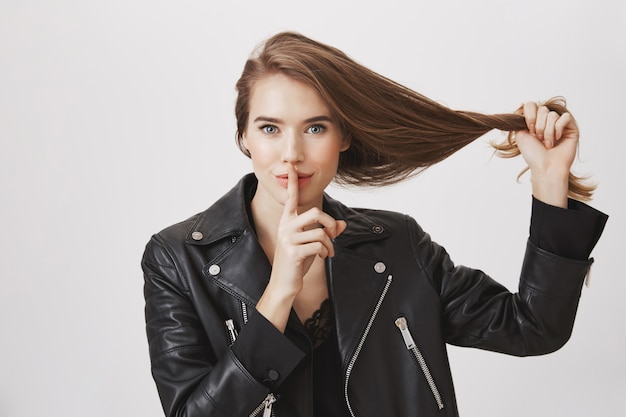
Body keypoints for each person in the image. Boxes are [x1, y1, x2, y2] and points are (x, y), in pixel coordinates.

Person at [141, 32, 608, 417]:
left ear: (344, 135)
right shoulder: (179, 258)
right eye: (270, 128)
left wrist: (549, 181)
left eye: (315, 128)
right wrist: (279, 292)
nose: (291, 153)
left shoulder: (397, 246)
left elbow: (533, 328)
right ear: (243, 135)